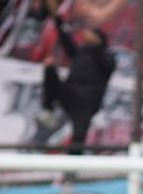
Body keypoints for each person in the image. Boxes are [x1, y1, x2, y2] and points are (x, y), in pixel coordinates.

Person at [39, 13, 115, 151]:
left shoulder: (106, 58)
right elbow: (65, 38)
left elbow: (107, 64)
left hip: (87, 102)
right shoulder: (80, 53)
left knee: (79, 136)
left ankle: (73, 167)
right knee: (49, 69)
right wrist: (57, 18)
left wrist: (95, 44)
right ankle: (48, 108)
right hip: (69, 93)